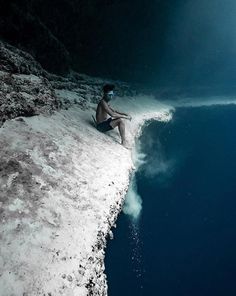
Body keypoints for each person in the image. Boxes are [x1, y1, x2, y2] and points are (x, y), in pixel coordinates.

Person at [96, 84, 132, 148]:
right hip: (100, 126)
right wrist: (125, 117)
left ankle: (123, 137)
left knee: (120, 119)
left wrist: (125, 114)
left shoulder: (105, 102)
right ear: (104, 94)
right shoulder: (102, 102)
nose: (111, 97)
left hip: (104, 123)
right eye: (109, 95)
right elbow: (112, 114)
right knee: (120, 121)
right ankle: (124, 142)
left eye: (112, 95)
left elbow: (114, 111)